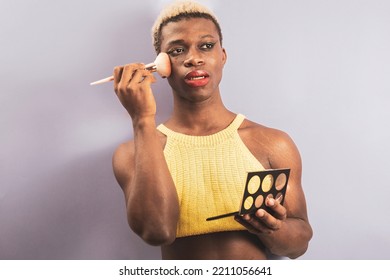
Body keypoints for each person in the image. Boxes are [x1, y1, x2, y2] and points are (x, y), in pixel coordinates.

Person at [112, 0, 312, 259]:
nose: (193, 58)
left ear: (222, 56)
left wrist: (272, 229)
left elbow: (299, 245)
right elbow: (157, 231)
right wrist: (142, 119)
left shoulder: (273, 143)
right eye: (177, 50)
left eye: (206, 46)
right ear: (160, 66)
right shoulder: (132, 153)